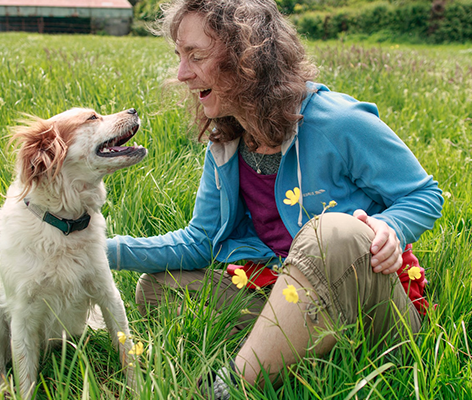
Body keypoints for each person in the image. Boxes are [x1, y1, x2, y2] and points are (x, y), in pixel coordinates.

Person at [106, 0, 443, 397]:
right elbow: (200, 242)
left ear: (247, 58)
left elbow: (423, 193)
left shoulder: (337, 121)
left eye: (195, 56)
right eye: (179, 56)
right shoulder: (226, 144)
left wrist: (392, 227)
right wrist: (94, 249)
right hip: (283, 288)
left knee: (331, 232)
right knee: (156, 288)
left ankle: (229, 387)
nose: (182, 74)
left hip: (374, 309)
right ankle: (292, 351)